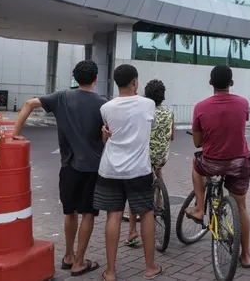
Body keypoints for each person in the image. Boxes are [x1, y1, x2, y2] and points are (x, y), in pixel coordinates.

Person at [12, 60, 106, 277]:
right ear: (95, 79)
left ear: (75, 79)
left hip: (68, 166)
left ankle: (69, 255)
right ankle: (80, 262)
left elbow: (28, 103)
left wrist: (15, 132)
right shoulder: (103, 103)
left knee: (69, 211)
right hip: (93, 166)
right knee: (88, 214)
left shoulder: (61, 97)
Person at [94, 64, 163, 281]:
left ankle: (111, 271)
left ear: (117, 83)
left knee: (113, 215)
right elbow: (149, 128)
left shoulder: (106, 107)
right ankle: (150, 268)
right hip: (139, 169)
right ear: (135, 82)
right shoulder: (149, 104)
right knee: (147, 213)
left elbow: (108, 131)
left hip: (110, 169)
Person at [185, 65, 250, 268]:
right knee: (241, 207)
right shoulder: (243, 103)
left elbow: (197, 143)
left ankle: (198, 208)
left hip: (212, 163)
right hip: (239, 163)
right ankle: (246, 255)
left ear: (210, 83)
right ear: (231, 83)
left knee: (196, 165)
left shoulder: (200, 107)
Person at [125, 79, 175, 247]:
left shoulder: (143, 110)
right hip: (162, 157)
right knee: (158, 171)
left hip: (144, 158)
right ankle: (159, 201)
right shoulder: (169, 112)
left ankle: (132, 231)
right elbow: (171, 136)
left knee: (135, 188)